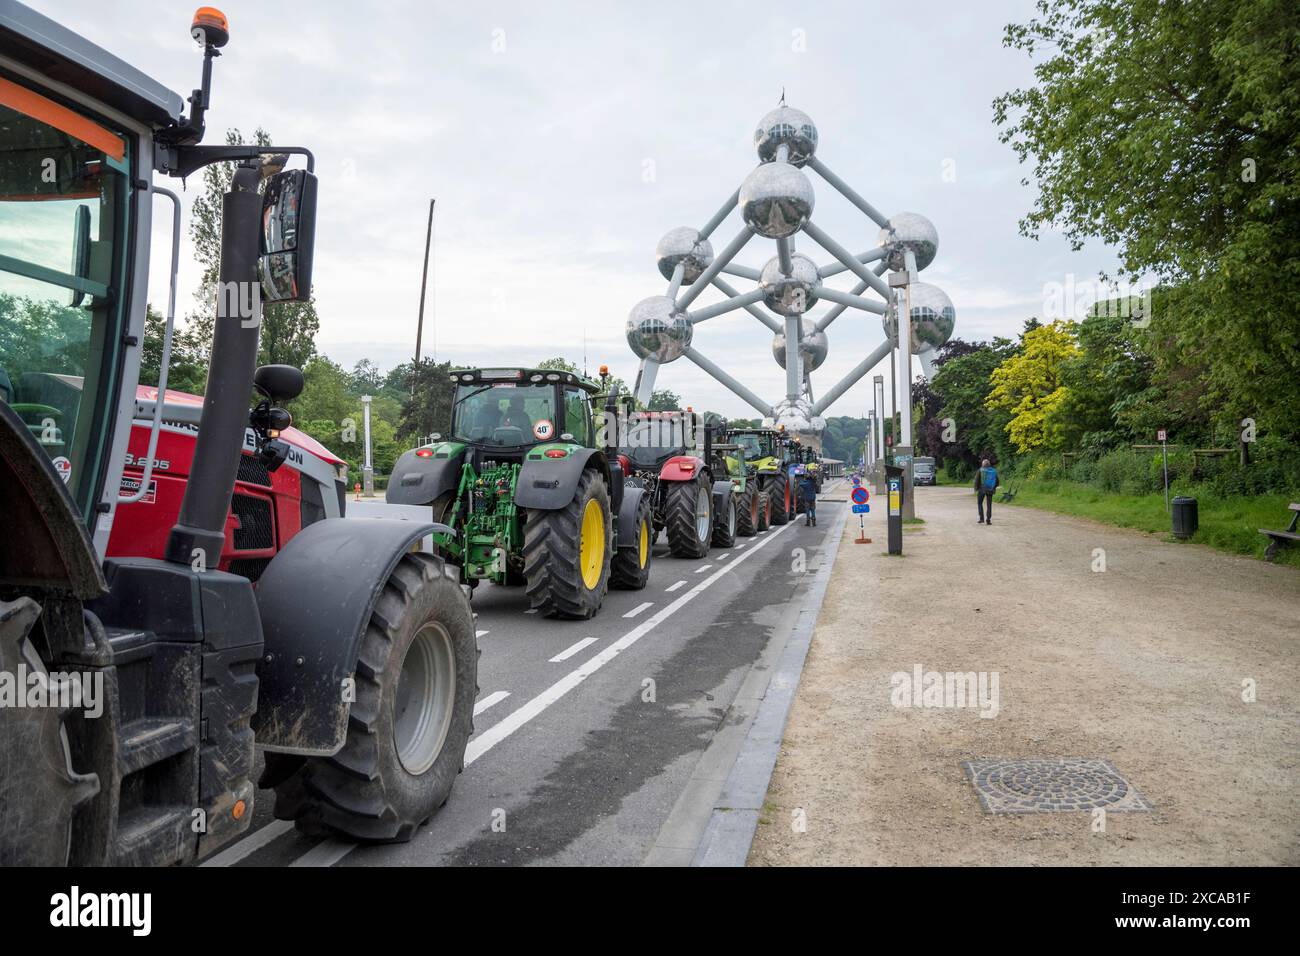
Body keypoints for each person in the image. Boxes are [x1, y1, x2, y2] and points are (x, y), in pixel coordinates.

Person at [974, 458, 999, 524]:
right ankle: (988, 520)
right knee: (989, 505)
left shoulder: (980, 470)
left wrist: (976, 488)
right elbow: (997, 482)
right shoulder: (993, 471)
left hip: (982, 489)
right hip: (990, 489)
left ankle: (981, 519)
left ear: (983, 464)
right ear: (989, 464)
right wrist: (993, 487)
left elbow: (976, 480)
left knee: (980, 503)